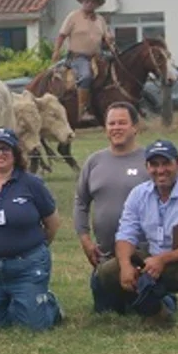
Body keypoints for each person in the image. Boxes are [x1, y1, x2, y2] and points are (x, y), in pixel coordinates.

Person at [96, 139, 178, 323]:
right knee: (108, 271)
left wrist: (162, 260)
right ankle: (155, 312)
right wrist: (125, 266)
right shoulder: (138, 194)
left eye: (166, 163)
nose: (160, 170)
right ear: (147, 167)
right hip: (153, 258)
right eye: (154, 164)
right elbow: (126, 234)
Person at [0, 128, 62, 331]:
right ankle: (20, 302)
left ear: (15, 154)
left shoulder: (32, 184)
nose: (1, 154)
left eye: (6, 149)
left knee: (34, 327)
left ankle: (49, 305)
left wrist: (38, 247)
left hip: (26, 265)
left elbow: (52, 222)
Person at [74, 102, 149, 313]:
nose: (116, 128)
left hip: (143, 256)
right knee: (106, 312)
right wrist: (85, 239)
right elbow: (80, 201)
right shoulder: (94, 162)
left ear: (135, 127)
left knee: (148, 308)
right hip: (105, 257)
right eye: (111, 123)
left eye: (122, 123)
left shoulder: (149, 162)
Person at [51, 0, 116, 122]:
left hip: (97, 56)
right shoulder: (73, 16)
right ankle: (83, 111)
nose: (89, 3)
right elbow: (62, 35)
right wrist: (56, 51)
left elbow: (106, 38)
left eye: (93, 1)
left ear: (97, 4)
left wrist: (111, 44)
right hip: (78, 57)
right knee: (86, 76)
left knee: (115, 72)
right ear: (82, 2)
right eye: (87, 1)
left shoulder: (100, 20)